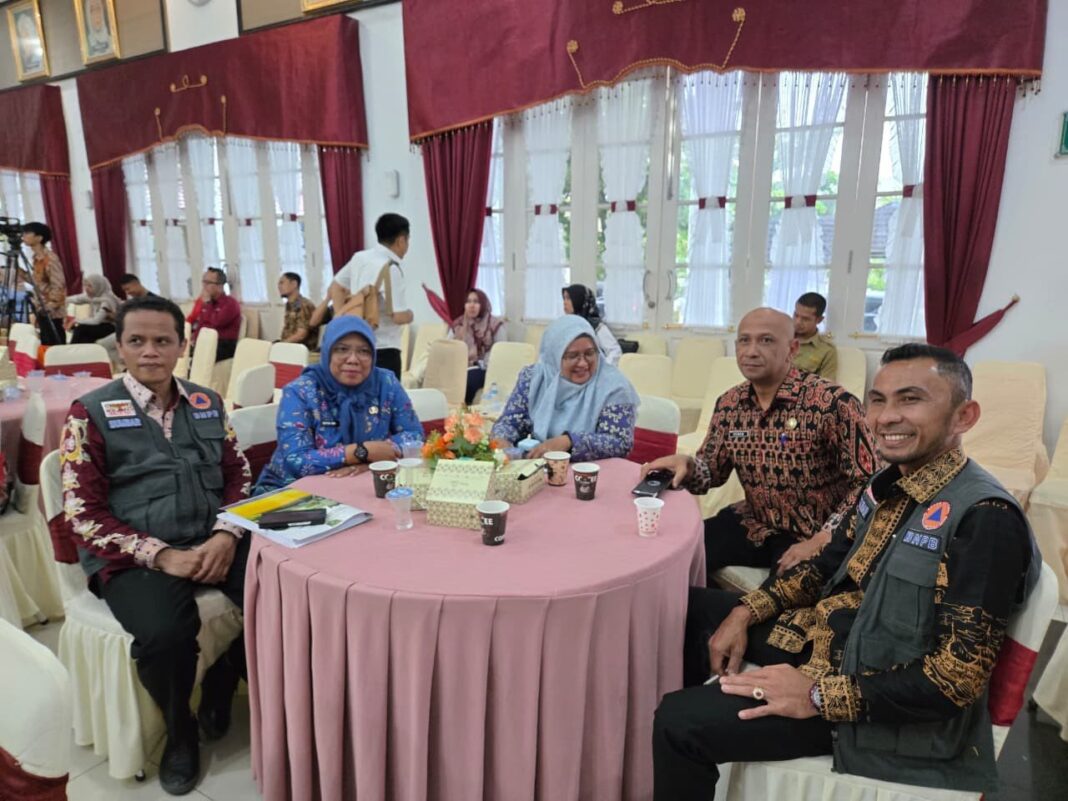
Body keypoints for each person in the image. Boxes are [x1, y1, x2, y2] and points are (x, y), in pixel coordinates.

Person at [652, 344, 1039, 801]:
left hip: (884, 709)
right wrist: (743, 611)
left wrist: (816, 695)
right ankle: (697, 759)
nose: (887, 417)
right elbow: (824, 568)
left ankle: (692, 745)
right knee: (687, 610)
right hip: (835, 639)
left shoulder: (985, 518)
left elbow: (954, 678)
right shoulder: (887, 483)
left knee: (679, 722)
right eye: (878, 400)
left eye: (911, 399)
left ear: (964, 416)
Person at [59, 295, 252, 796]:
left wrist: (226, 534)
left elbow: (239, 475)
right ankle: (178, 726)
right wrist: (162, 555)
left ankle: (223, 678)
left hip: (213, 536)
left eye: (162, 340)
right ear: (120, 347)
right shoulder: (90, 413)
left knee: (281, 588)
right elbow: (82, 513)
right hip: (133, 553)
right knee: (166, 634)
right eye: (137, 341)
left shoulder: (207, 403)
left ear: (181, 345)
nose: (150, 351)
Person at [642, 308, 875, 581]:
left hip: (813, 532)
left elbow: (869, 483)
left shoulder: (832, 403)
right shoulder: (730, 404)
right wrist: (688, 465)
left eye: (766, 340)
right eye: (744, 340)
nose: (751, 351)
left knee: (788, 593)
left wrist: (826, 536)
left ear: (792, 349)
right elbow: (712, 472)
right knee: (674, 556)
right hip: (755, 523)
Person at [254, 316, 424, 494]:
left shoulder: (385, 383)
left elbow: (415, 436)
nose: (353, 359)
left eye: (364, 351)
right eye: (342, 349)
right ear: (327, 352)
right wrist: (361, 452)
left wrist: (368, 462)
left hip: (360, 486)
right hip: (290, 491)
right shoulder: (300, 391)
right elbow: (297, 460)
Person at [490, 315, 639, 460]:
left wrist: (569, 441)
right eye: (573, 356)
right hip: (536, 466)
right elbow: (509, 422)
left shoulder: (614, 387)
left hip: (591, 471)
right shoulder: (534, 378)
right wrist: (501, 440)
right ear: (554, 356)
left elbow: (620, 442)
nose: (583, 363)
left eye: (589, 353)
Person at [328, 214, 414, 379]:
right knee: (385, 395)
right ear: (401, 240)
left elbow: (336, 287)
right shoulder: (391, 267)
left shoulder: (360, 258)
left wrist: (345, 318)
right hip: (383, 350)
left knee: (357, 393)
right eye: (407, 241)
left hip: (355, 346)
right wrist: (410, 315)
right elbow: (398, 316)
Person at [448, 289, 506, 404]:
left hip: (484, 367)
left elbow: (501, 352)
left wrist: (484, 363)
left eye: (476, 302)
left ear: (483, 304)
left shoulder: (495, 325)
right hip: (460, 365)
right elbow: (448, 345)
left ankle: (463, 410)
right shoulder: (459, 324)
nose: (471, 305)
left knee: (467, 380)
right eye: (468, 302)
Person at [17, 222, 65, 346]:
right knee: (45, 343)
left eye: (28, 233)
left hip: (51, 310)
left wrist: (50, 305)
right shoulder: (37, 258)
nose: (23, 236)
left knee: (54, 344)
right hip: (41, 306)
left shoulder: (50, 258)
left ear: (39, 238)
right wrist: (19, 270)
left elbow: (58, 284)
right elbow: (36, 281)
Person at [188, 268, 241, 362]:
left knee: (200, 356)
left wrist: (207, 304)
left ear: (220, 286)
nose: (204, 286)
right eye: (203, 282)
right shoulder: (208, 303)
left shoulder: (230, 303)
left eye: (208, 283)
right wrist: (194, 339)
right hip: (206, 342)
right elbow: (202, 324)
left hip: (223, 344)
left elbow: (216, 323)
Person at [562, 283, 622, 365]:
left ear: (579, 300)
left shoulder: (595, 326)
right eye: (564, 298)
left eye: (568, 298)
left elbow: (615, 351)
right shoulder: (566, 325)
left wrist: (601, 369)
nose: (564, 302)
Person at [792, 292, 837, 380]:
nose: (798, 322)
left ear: (819, 320)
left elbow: (827, 384)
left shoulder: (827, 350)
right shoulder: (780, 337)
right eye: (796, 315)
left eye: (805, 319)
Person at [65, 274, 121, 345]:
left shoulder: (107, 300)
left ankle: (71, 350)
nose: (86, 288)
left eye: (90, 286)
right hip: (99, 326)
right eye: (85, 285)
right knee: (83, 336)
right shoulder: (94, 296)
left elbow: (96, 321)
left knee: (81, 328)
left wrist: (75, 321)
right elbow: (77, 299)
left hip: (110, 327)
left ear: (98, 286)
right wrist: (61, 299)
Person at [277, 272, 318, 350]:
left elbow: (301, 335)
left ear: (294, 284)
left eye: (282, 283)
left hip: (300, 350)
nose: (279, 286)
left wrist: (281, 345)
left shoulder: (303, 305)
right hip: (290, 346)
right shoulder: (290, 304)